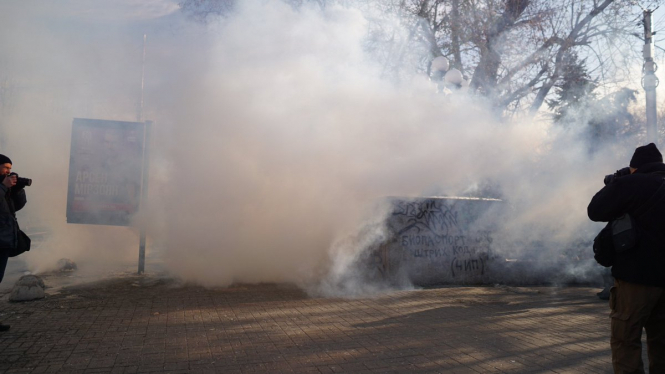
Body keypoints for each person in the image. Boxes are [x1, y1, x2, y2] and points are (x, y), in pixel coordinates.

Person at [588, 143, 665, 374]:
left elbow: (595, 211)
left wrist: (616, 183)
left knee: (626, 340)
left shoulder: (631, 183)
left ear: (634, 168)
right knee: (662, 344)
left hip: (636, 279)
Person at [0, 154, 26, 332]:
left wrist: (17, 190)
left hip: (4, 240)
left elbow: (16, 206)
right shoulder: (1, 186)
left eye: (10, 169)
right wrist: (3, 186)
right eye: (5, 168)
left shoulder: (5, 187)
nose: (8, 172)